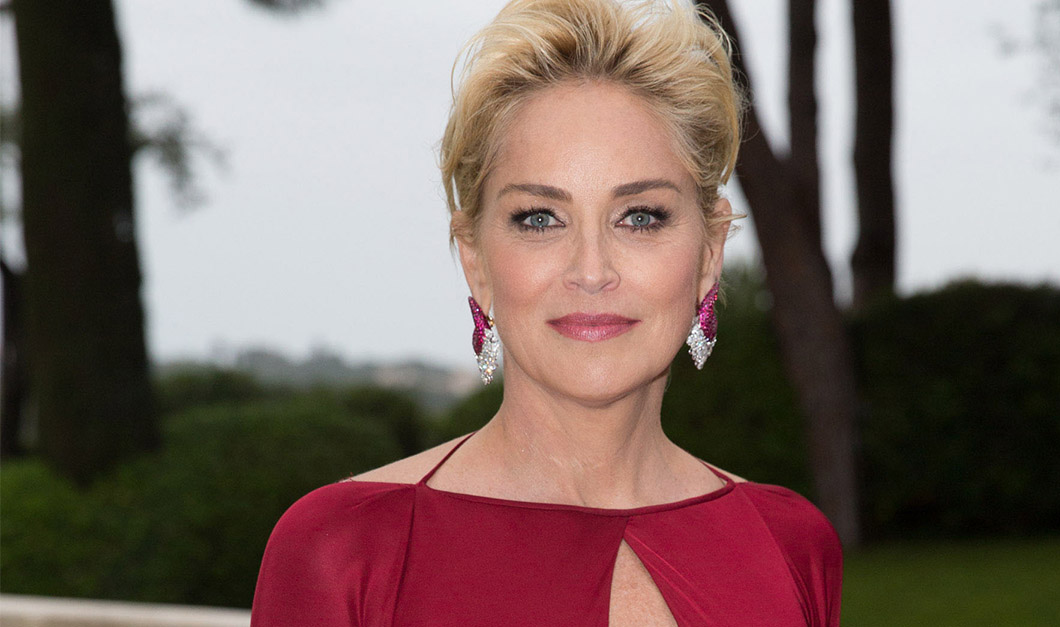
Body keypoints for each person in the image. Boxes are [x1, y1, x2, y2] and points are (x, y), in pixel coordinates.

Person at [250, 0, 842, 624]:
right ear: (476, 261)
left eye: (640, 217)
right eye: (540, 219)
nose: (591, 270)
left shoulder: (790, 544)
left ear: (709, 253)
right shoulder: (346, 549)